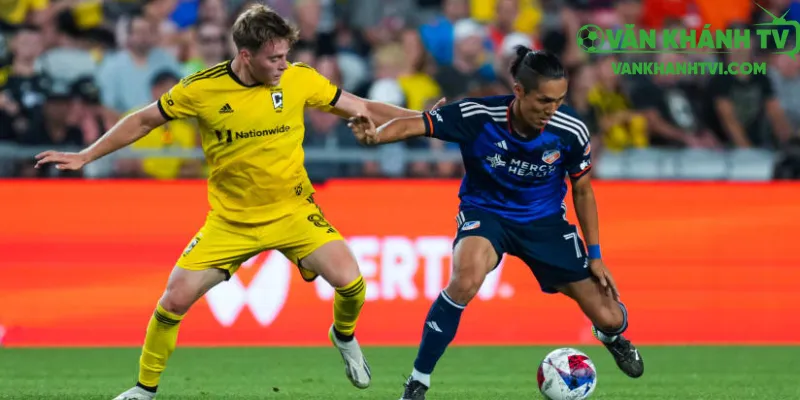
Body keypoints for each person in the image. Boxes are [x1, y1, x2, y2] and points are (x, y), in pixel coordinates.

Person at [34, 5, 441, 400]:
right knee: (173, 300)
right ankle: (144, 389)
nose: (283, 64)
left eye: (286, 55)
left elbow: (364, 107)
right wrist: (86, 155)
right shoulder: (201, 88)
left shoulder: (300, 79)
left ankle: (344, 336)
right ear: (245, 55)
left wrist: (423, 122)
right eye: (274, 58)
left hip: (293, 212)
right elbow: (143, 120)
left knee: (352, 285)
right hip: (231, 222)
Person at [347, 47, 645, 400]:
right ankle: (417, 382)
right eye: (544, 101)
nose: (551, 110)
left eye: (559, 100)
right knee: (466, 277)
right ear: (518, 91)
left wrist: (595, 254)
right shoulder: (478, 115)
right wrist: (377, 136)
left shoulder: (570, 130)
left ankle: (611, 337)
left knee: (610, 315)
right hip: (486, 214)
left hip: (544, 223)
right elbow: (418, 124)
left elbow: (582, 190)